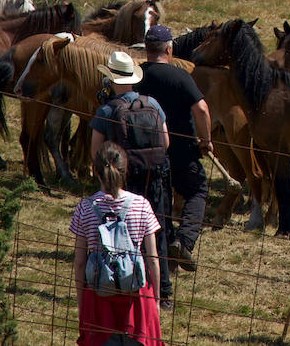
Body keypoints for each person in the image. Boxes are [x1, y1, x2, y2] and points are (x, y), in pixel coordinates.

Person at [134, 25, 211, 301]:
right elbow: (201, 109)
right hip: (183, 150)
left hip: (147, 152)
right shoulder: (180, 75)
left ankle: (163, 258)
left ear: (147, 49)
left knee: (161, 207)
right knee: (197, 191)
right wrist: (207, 140)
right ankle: (184, 241)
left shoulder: (137, 75)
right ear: (169, 49)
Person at [90, 50, 170, 303]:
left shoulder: (106, 111)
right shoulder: (153, 104)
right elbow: (165, 141)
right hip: (155, 177)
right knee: (156, 233)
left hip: (123, 182)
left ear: (111, 79)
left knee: (123, 234)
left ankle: (124, 281)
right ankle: (163, 290)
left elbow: (96, 152)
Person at [70, 142, 163, 346]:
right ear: (124, 170)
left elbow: (79, 262)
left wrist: (81, 303)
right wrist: (156, 300)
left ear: (96, 172)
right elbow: (153, 258)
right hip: (136, 298)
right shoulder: (142, 205)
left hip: (98, 298)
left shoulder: (84, 208)